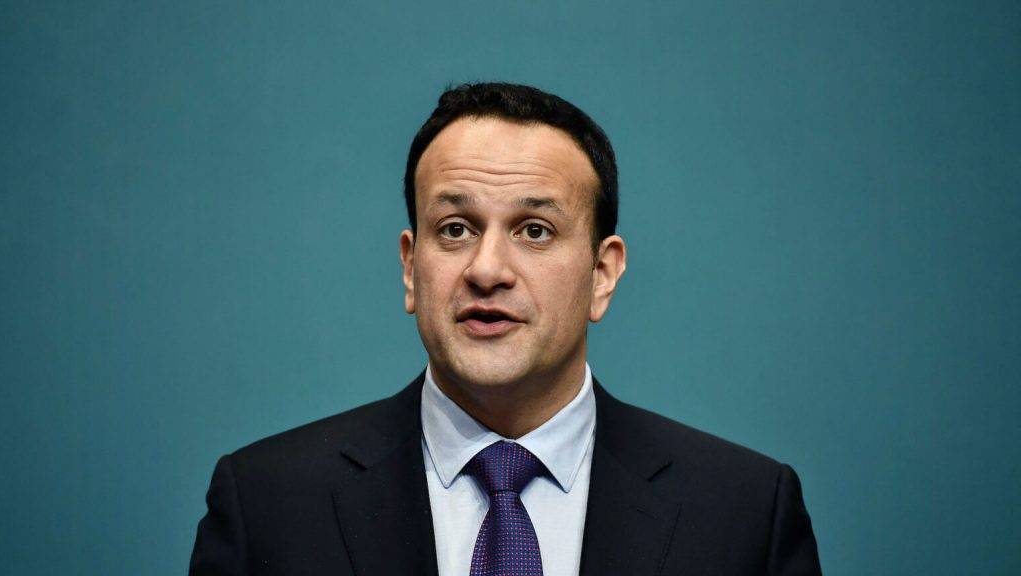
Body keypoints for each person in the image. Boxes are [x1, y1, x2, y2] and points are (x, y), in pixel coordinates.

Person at [189, 82, 822, 576]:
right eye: (455, 229)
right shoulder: (267, 503)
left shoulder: (743, 511)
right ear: (410, 267)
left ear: (602, 274)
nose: (487, 270)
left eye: (535, 231)